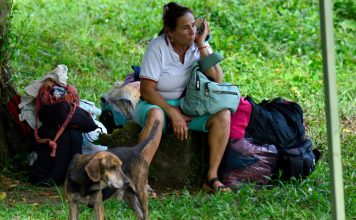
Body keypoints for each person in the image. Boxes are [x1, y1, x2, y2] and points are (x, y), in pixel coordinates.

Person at [133, 2, 231, 194]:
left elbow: (218, 78)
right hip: (155, 103)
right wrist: (172, 113)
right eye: (185, 27)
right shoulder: (158, 48)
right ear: (170, 31)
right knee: (156, 117)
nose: (192, 31)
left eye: (194, 25)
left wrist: (202, 44)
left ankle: (212, 177)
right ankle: (138, 178)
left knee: (223, 115)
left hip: (187, 105)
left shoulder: (198, 45)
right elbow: (146, 90)